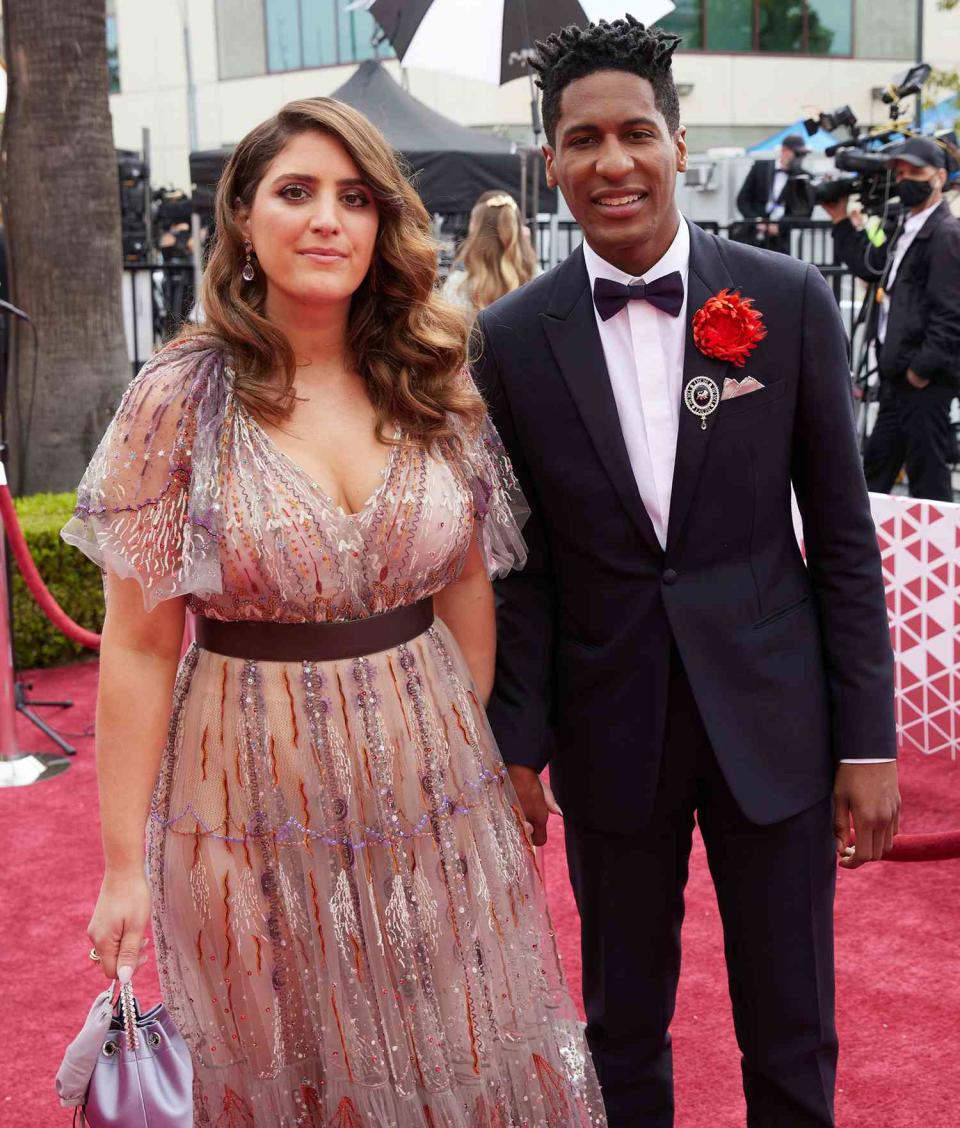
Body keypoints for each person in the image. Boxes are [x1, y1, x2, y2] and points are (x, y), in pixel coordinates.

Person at [62, 97, 607, 1127]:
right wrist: (123, 868)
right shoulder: (181, 397)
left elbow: (466, 586)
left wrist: (454, 750)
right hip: (240, 797)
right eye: (296, 192)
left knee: (453, 1049)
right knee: (284, 1069)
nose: (327, 220)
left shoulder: (431, 380)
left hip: (434, 787)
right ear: (244, 220)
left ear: (382, 223)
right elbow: (137, 645)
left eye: (354, 197)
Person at [472, 17, 900, 1128]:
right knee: (622, 1027)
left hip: (778, 723)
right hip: (610, 728)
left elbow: (843, 542)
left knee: (792, 1021)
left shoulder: (785, 302)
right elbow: (519, 572)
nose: (611, 162)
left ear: (676, 139)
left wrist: (867, 742)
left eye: (635, 132)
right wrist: (516, 745)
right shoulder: (511, 338)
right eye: (582, 140)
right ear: (550, 158)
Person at [826, 136, 960, 502]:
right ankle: (864, 555)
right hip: (896, 378)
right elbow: (871, 267)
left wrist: (922, 370)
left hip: (921, 383)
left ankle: (938, 557)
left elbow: (951, 315)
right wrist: (840, 220)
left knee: (927, 482)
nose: (906, 180)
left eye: (916, 172)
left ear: (940, 177)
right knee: (874, 476)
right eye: (900, 173)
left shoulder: (947, 235)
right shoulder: (905, 226)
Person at [442, 191, 539, 324]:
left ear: (475, 230)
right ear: (518, 230)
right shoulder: (538, 280)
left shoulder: (458, 287)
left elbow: (448, 337)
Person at [735, 132, 816, 252]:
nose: (800, 158)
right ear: (784, 151)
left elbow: (804, 213)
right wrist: (758, 221)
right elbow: (742, 200)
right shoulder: (760, 167)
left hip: (781, 240)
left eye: (802, 154)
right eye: (797, 154)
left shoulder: (804, 177)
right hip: (753, 236)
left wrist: (780, 226)